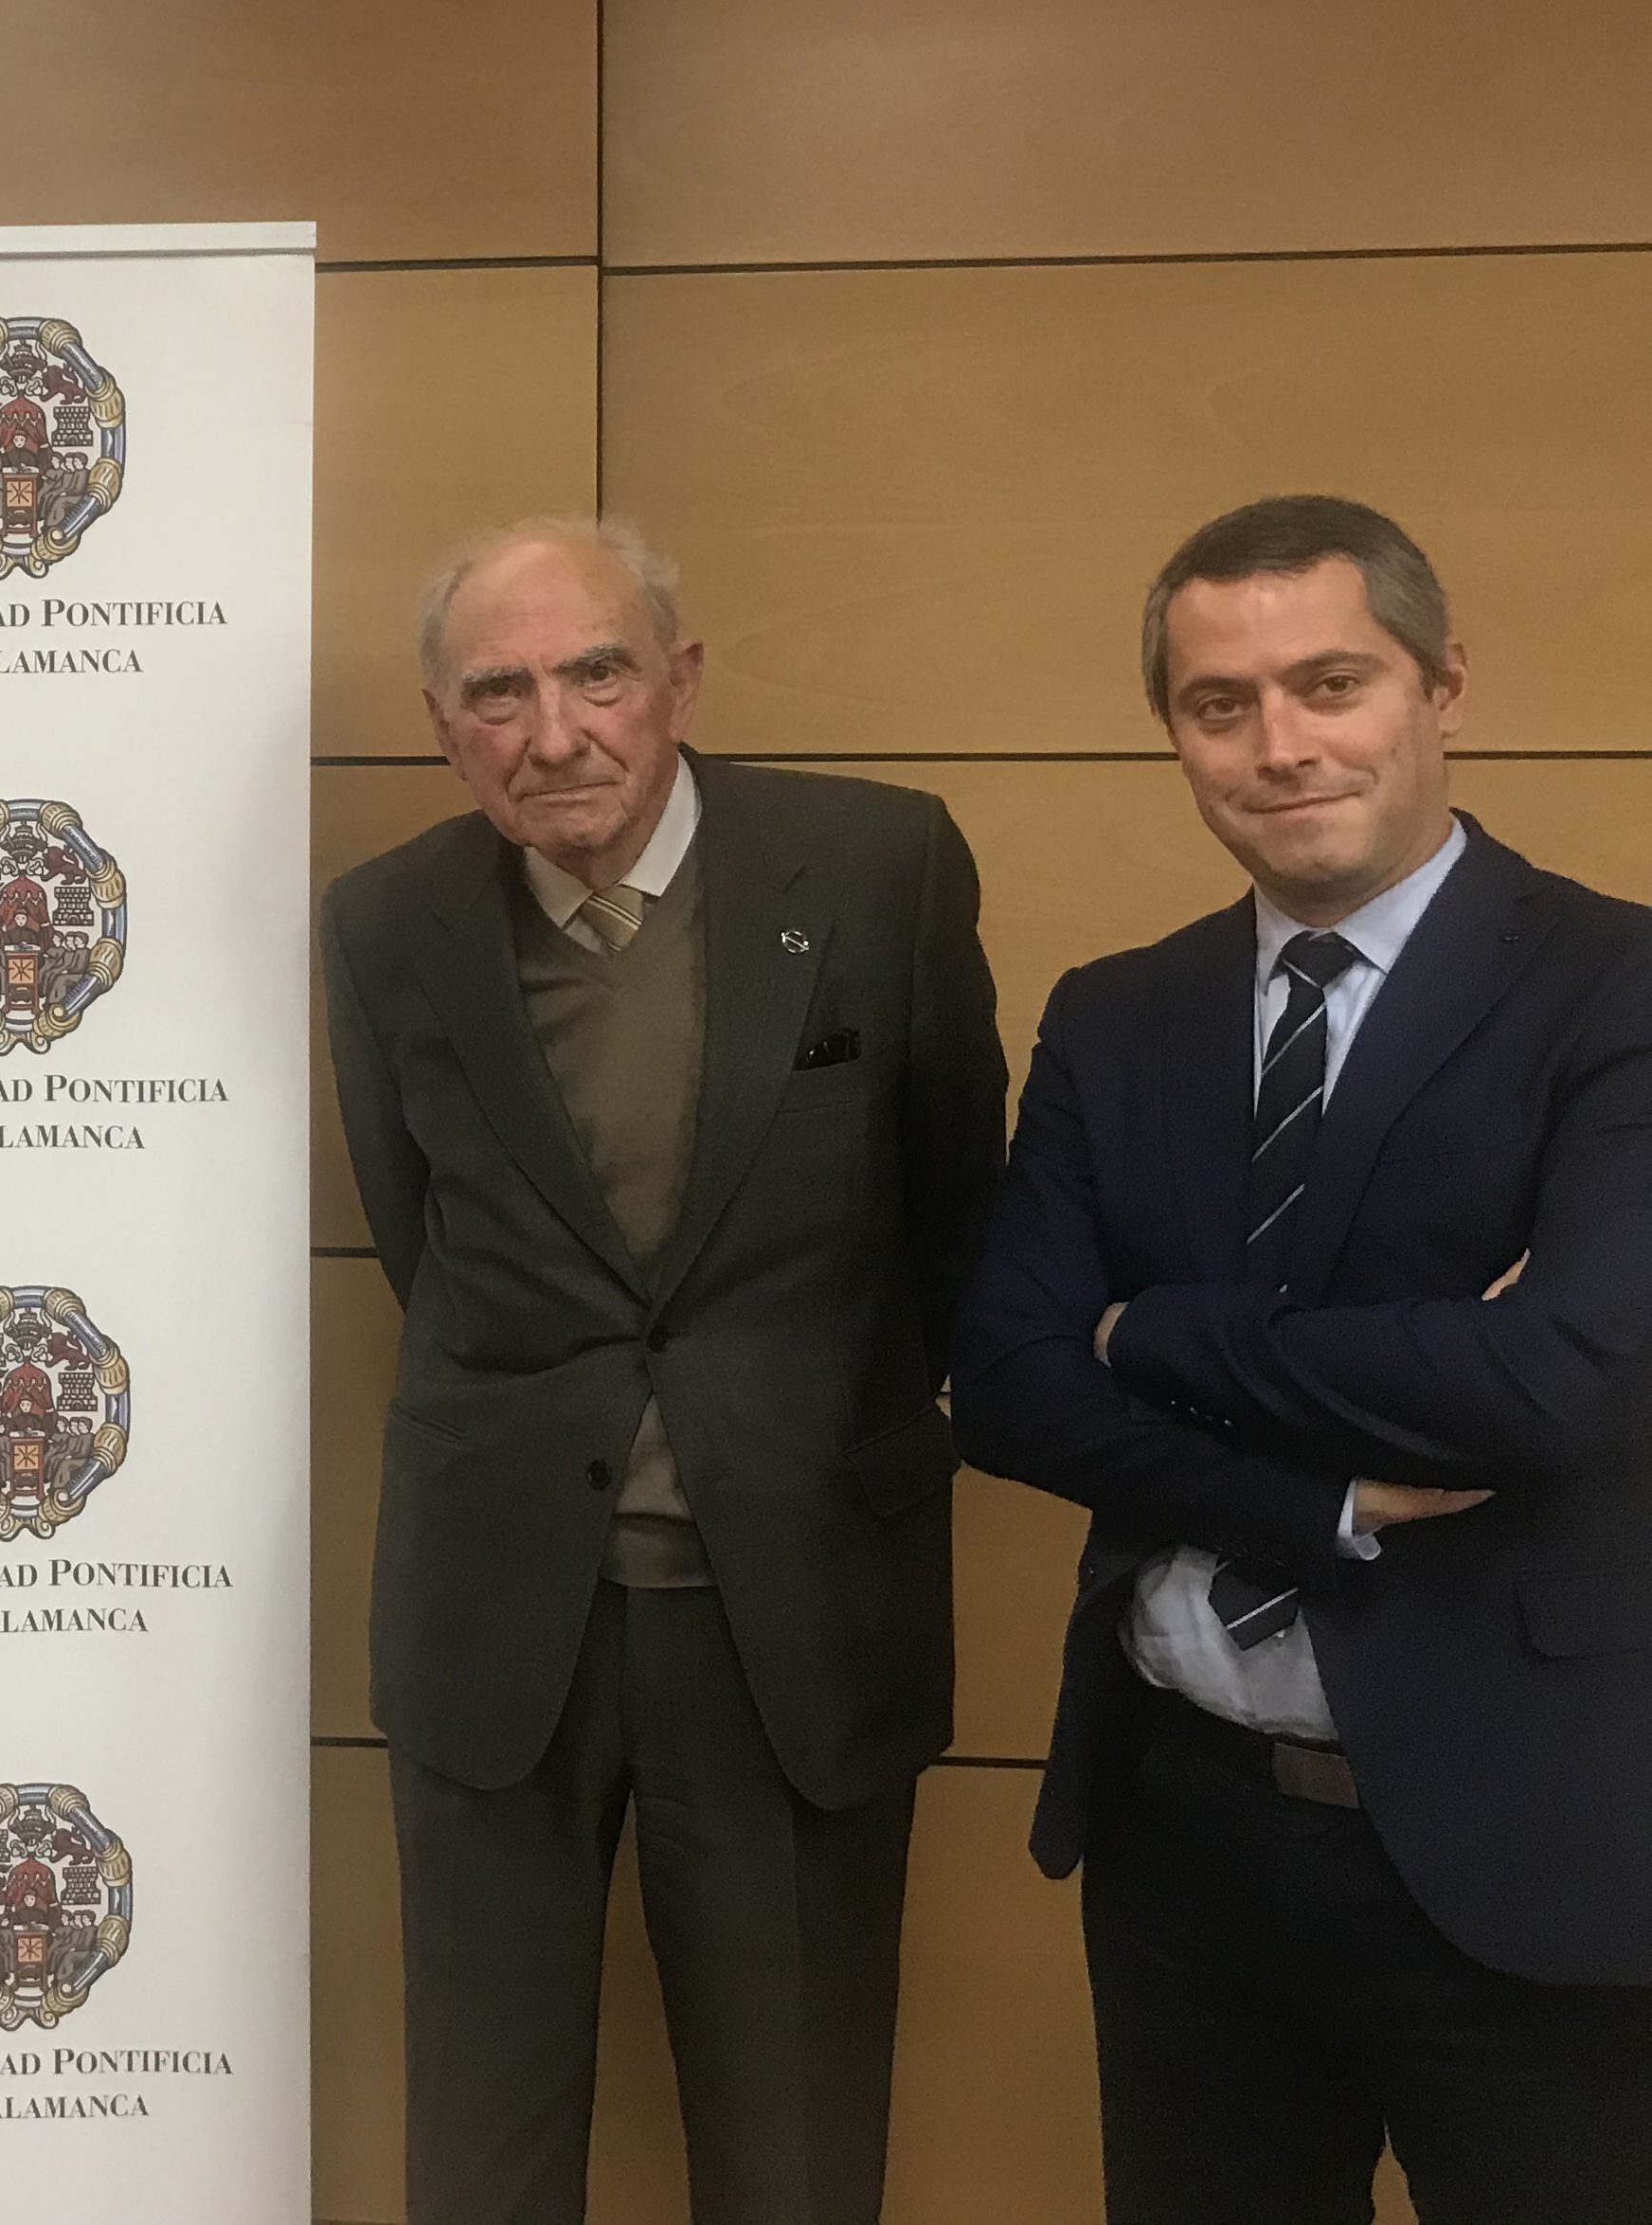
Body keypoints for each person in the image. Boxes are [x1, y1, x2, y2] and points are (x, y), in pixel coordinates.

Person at [954, 494, 1652, 2221]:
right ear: (1177, 735)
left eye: (1331, 684)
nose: (1280, 746)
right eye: (1221, 704)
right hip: (1184, 1839)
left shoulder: (1618, 987)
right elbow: (1012, 1380)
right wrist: (1317, 1499)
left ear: (1442, 686)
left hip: (1530, 1852)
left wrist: (1154, 1331)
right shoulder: (1117, 1015)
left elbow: (1552, 1384)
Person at [320, 514, 1007, 2224]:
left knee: (793, 2156)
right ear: (443, 724)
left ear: (679, 683)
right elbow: (427, 1245)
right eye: (498, 692)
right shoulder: (387, 923)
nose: (553, 733)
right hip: (501, 1622)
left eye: (596, 674)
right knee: (481, 2156)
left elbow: (954, 1213)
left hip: (791, 1614)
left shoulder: (880, 869)